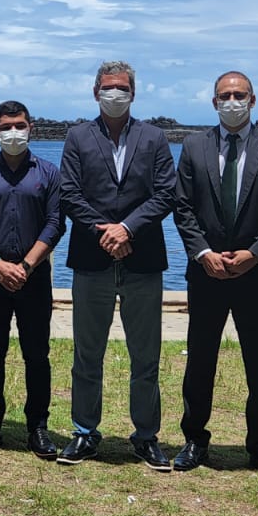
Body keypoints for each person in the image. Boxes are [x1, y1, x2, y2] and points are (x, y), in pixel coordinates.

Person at [172, 70, 258, 479]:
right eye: (224, 95)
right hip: (206, 273)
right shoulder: (193, 146)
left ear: (253, 100)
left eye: (239, 94)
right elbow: (183, 208)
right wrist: (202, 252)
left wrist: (254, 254)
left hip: (257, 275)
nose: (232, 101)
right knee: (200, 359)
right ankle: (194, 439)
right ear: (214, 102)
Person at [57, 60, 177, 469]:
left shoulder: (155, 137)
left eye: (122, 88)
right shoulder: (77, 136)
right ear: (95, 93)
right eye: (108, 87)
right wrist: (104, 232)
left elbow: (165, 194)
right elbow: (69, 193)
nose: (115, 94)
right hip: (91, 258)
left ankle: (146, 436)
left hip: (143, 259)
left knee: (146, 355)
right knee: (87, 353)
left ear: (133, 93)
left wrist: (127, 229)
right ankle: (85, 432)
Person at [0, 100, 63, 457]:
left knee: (37, 354)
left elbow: (55, 223)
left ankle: (38, 427)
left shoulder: (48, 173)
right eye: (6, 126)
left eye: (19, 125)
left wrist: (28, 265)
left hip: (34, 277)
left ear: (31, 127)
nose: (13, 132)